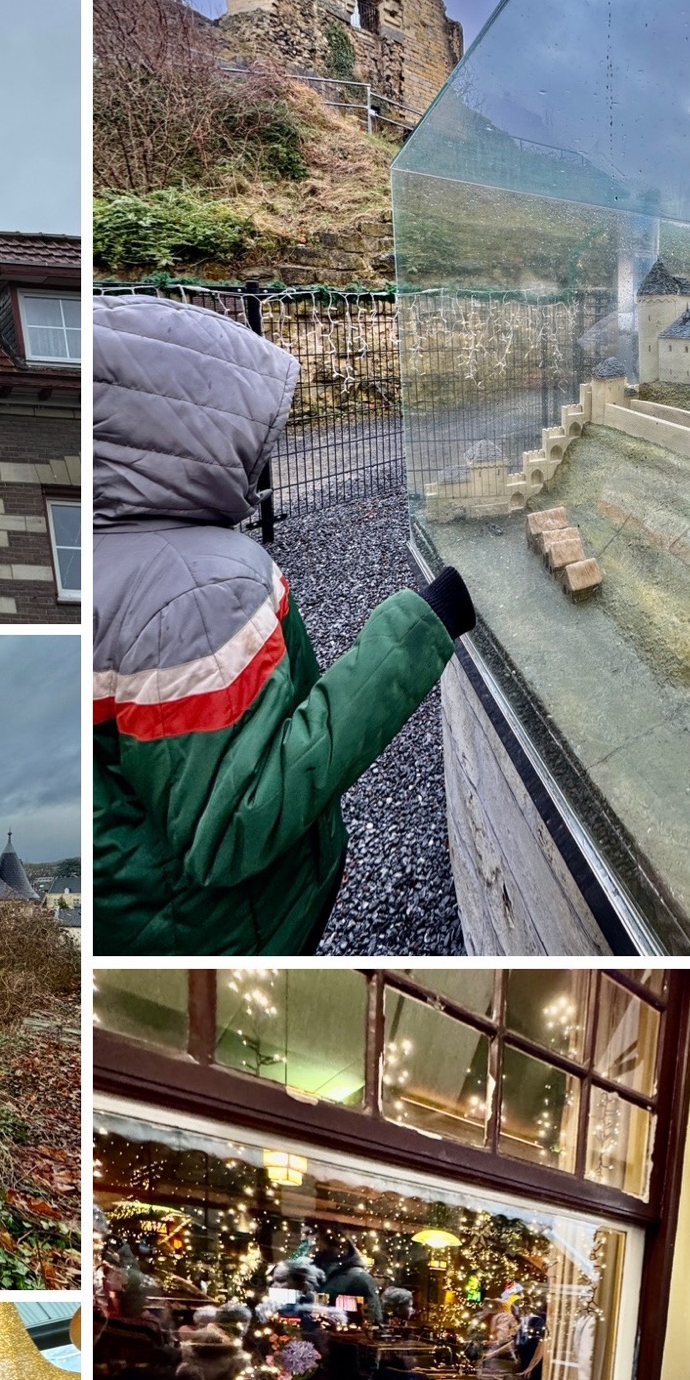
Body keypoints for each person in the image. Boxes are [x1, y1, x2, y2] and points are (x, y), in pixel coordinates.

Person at [94, 294, 476, 953]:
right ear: (194, 428)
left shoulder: (109, 558)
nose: (268, 446)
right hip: (222, 928)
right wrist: (421, 626)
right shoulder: (198, 587)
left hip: (144, 915)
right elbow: (237, 822)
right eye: (257, 427)